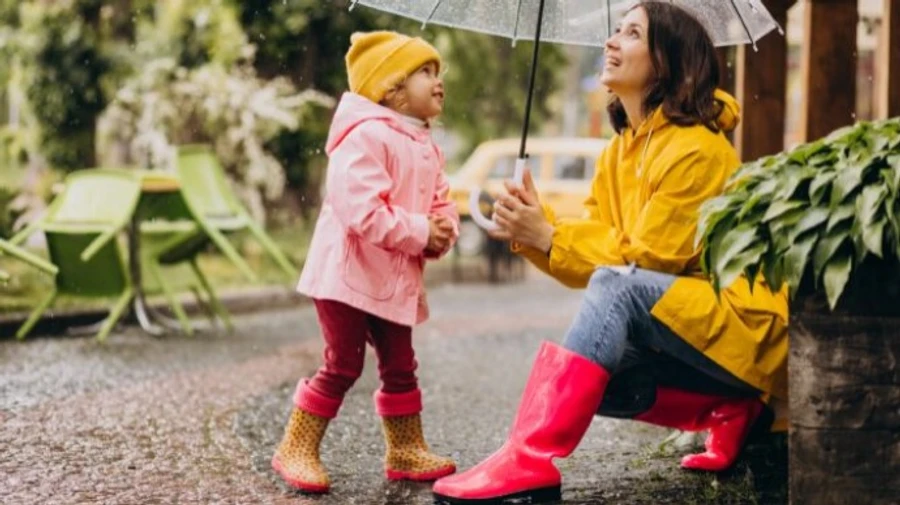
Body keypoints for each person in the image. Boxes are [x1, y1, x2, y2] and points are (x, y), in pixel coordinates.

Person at [432, 3, 788, 504]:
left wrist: (550, 236)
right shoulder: (620, 152)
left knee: (613, 301)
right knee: (599, 363)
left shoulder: (697, 149)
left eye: (633, 33)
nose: (612, 41)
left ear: (668, 61)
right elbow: (597, 250)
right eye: (616, 29)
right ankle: (727, 409)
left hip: (743, 328)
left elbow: (647, 260)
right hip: (693, 329)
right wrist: (537, 228)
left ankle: (528, 456)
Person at [272, 30, 459, 494]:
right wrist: (419, 231)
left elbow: (441, 202)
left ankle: (406, 449)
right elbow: (362, 211)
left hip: (392, 280)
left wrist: (441, 230)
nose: (438, 81)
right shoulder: (365, 137)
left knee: (401, 364)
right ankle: (295, 446)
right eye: (425, 72)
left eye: (439, 72)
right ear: (391, 88)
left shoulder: (425, 144)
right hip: (346, 276)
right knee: (343, 363)